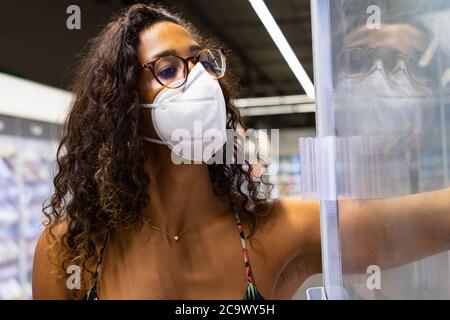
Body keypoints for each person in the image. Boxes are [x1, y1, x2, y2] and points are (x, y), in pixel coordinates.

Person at [32, 3, 450, 300]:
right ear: (122, 106)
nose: (201, 81)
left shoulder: (276, 231)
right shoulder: (69, 250)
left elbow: (425, 221)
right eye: (168, 69)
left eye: (204, 63)